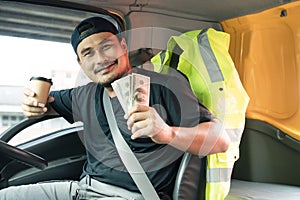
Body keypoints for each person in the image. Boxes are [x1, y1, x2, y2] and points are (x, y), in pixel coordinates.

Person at [0, 16, 229, 200]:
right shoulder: (84, 94)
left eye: (106, 46)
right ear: (81, 64)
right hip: (81, 189)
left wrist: (167, 133)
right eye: (88, 53)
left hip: (131, 195)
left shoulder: (164, 86)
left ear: (123, 46)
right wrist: (31, 103)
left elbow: (220, 140)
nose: (100, 58)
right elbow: (45, 104)